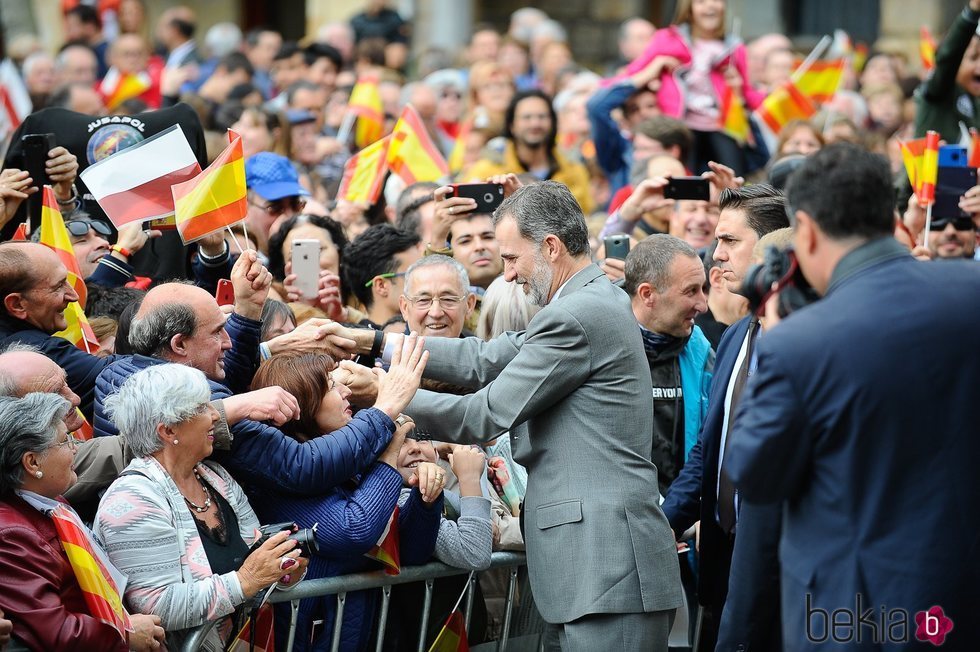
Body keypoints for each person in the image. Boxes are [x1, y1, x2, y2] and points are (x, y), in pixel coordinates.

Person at [343, 181, 684, 650]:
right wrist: (375, 342)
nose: (505, 275)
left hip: (606, 573)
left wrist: (384, 393)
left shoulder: (579, 314)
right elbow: (484, 358)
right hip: (598, 572)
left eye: (510, 258)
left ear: (550, 246)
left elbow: (481, 414)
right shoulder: (584, 302)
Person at [726, 142, 980, 649]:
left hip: (856, 618)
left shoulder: (798, 343)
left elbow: (754, 471)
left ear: (809, 231)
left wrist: (774, 340)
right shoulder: (971, 294)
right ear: (890, 218)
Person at [94, 364, 308, 651]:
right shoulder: (132, 498)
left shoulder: (216, 478)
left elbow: (255, 558)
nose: (215, 415)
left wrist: (281, 571)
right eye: (202, 407)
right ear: (168, 430)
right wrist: (244, 582)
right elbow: (155, 605)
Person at [658, 183, 788, 650]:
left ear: (776, 247)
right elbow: (709, 451)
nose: (717, 254)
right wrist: (664, 523)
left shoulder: (810, 344)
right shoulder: (733, 337)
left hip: (785, 575)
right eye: (717, 240)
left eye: (731, 241)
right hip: (723, 567)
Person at [248, 345, 445, 651]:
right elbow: (355, 530)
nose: (345, 391)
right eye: (330, 386)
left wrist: (426, 503)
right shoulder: (281, 477)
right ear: (303, 404)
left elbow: (406, 553)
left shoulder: (351, 460)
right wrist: (389, 455)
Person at [0, 392, 165, 651]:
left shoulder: (52, 502)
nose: (75, 448)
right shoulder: (11, 535)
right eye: (65, 441)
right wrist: (124, 633)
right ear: (32, 462)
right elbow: (56, 633)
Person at [620, 0, 765, 174]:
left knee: (734, 180)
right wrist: (656, 66)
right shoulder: (668, 39)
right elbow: (632, 73)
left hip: (722, 125)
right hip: (681, 124)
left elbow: (748, 93)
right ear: (689, 8)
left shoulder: (734, 47)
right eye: (701, 2)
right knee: (683, 181)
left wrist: (751, 93)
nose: (710, 5)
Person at [623, 234, 713, 495]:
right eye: (691, 291)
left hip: (686, 522)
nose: (703, 305)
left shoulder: (701, 350)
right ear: (647, 294)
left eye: (703, 289)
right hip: (625, 524)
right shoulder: (604, 344)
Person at [463, 90, 594, 214]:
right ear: (511, 125)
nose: (535, 123)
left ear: (553, 123)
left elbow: (585, 218)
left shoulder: (574, 170)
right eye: (527, 117)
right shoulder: (487, 172)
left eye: (542, 116)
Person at [914, 0, 980, 141]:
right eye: (973, 58)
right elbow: (948, 59)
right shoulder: (939, 91)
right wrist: (972, 12)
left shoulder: (976, 102)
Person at [341, 224, 422, 329]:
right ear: (381, 286)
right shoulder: (354, 342)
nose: (425, 281)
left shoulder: (428, 334)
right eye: (414, 275)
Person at [399, 255, 476, 338]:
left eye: (448, 299)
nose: (436, 313)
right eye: (423, 300)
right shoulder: (390, 349)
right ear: (405, 308)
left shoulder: (480, 350)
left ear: (469, 306)